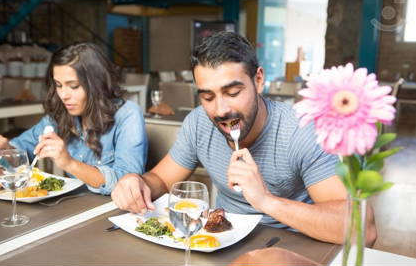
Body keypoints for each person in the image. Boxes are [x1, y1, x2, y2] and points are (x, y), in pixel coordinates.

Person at [111, 32, 376, 245]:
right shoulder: (198, 123)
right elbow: (160, 180)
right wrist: (134, 182)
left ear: (258, 80)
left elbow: (362, 229)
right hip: (220, 242)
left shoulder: (302, 130)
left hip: (295, 247)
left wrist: (265, 200)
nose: (221, 109)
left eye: (233, 92)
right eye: (207, 97)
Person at [0, 42, 148, 195]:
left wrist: (69, 163)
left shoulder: (128, 115)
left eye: (74, 86)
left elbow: (128, 184)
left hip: (114, 210)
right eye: (58, 85)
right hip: (74, 208)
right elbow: (22, 149)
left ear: (96, 84)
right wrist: (6, 151)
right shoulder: (59, 116)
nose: (63, 95)